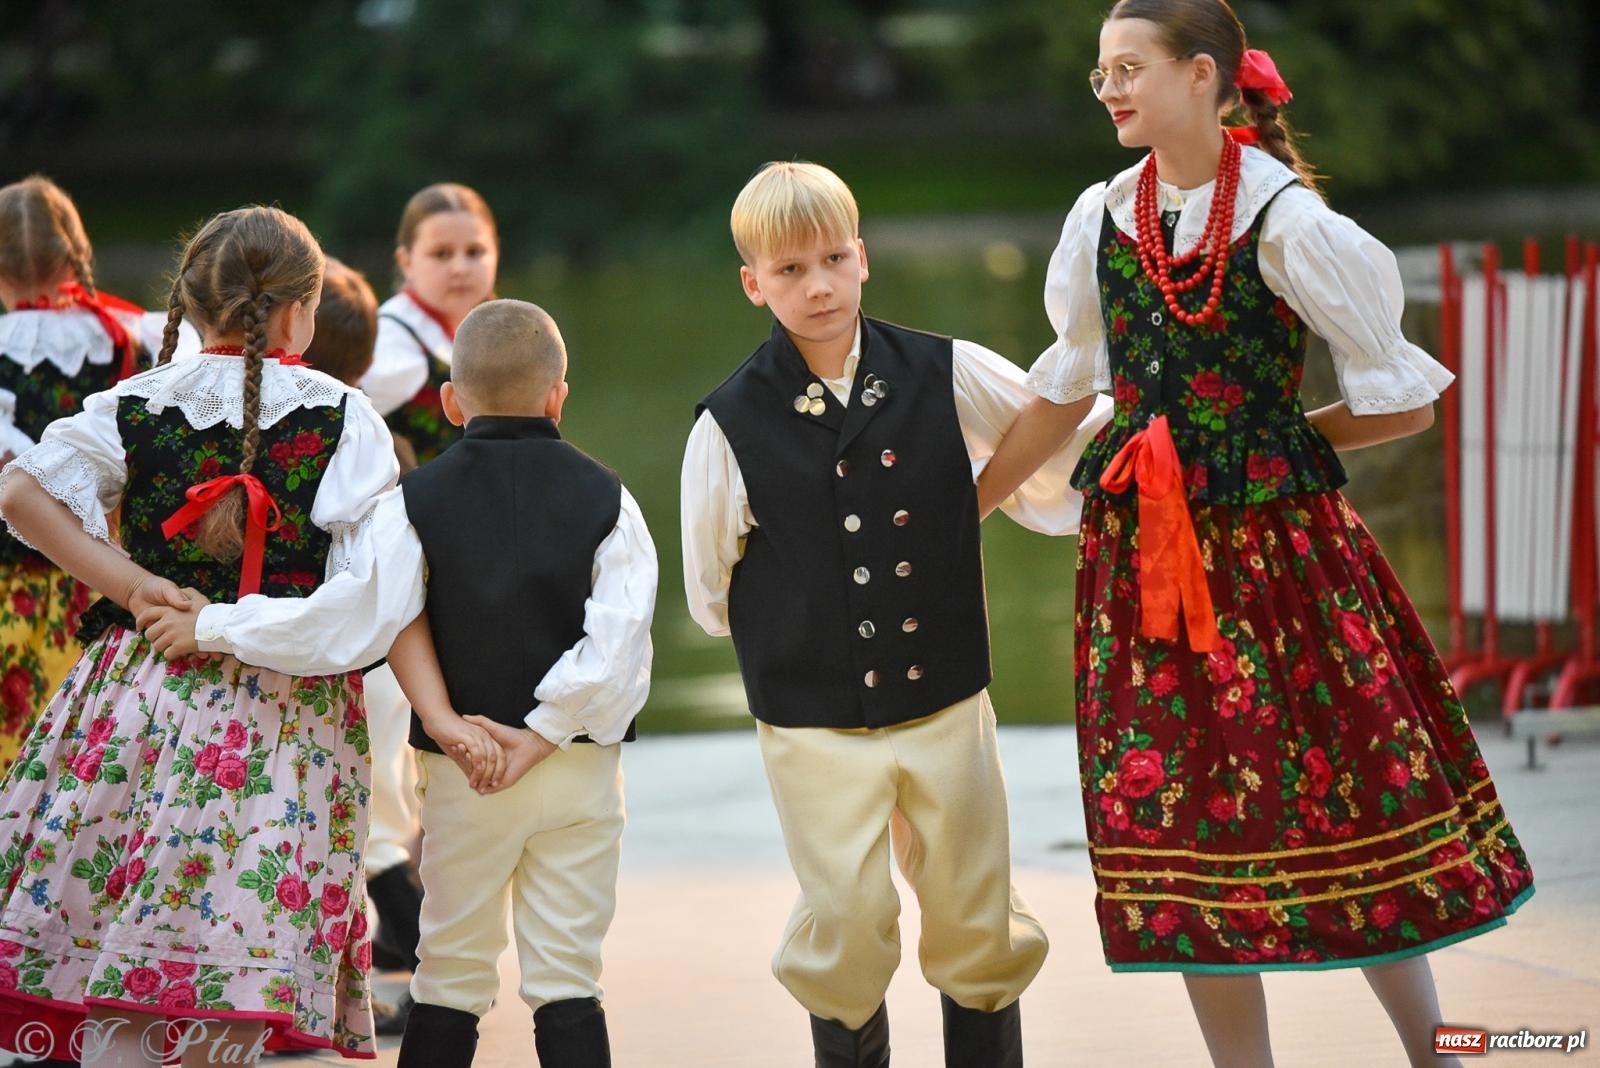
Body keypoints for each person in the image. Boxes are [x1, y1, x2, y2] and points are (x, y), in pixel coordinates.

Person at [975, 3, 1535, 1065]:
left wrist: (1260, 445)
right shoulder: (1102, 215)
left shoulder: (1287, 221)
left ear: (1202, 76)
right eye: (1101, 73)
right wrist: (968, 507)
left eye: (1129, 68)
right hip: (1144, 561)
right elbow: (1063, 389)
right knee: (1182, 829)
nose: (1110, 89)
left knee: (1349, 796)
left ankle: (1439, 1053)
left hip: (1279, 561)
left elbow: (1404, 405)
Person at [142, 298, 657, 1068]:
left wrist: (216, 625)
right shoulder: (611, 499)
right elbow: (618, 645)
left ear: (450, 401)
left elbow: (347, 618)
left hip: (466, 767)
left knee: (450, 970)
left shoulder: (413, 503)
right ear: (559, 395)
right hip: (577, 769)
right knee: (569, 976)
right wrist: (544, 732)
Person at [682, 160, 1108, 1068]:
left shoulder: (942, 370)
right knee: (843, 920)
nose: (819, 285)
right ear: (753, 283)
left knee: (976, 912)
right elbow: (709, 589)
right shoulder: (727, 422)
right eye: (790, 269)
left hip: (946, 696)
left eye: (834, 259)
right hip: (811, 717)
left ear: (863, 258)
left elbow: (1060, 431)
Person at [0, 205, 396, 1065]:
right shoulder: (345, 416)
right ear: (301, 310)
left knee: (122, 938)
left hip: (140, 689)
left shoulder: (137, 403)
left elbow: (22, 492)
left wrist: (134, 585)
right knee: (230, 958)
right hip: (279, 712)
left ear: (190, 301)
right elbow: (370, 594)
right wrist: (235, 625)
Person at [0, 175, 195, 777]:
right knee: (89, 756)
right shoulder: (137, 336)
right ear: (78, 254)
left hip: (10, 586)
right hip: (111, 580)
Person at [299, 257, 424, 1034]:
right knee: (382, 816)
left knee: (349, 825)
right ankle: (419, 958)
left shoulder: (297, 439)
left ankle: (394, 964)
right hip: (386, 659)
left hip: (329, 659)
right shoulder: (387, 443)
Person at [360, 182, 499, 466]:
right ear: (406, 262)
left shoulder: (490, 328)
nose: (460, 268)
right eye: (441, 254)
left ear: (496, 252)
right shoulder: (391, 342)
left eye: (475, 252)